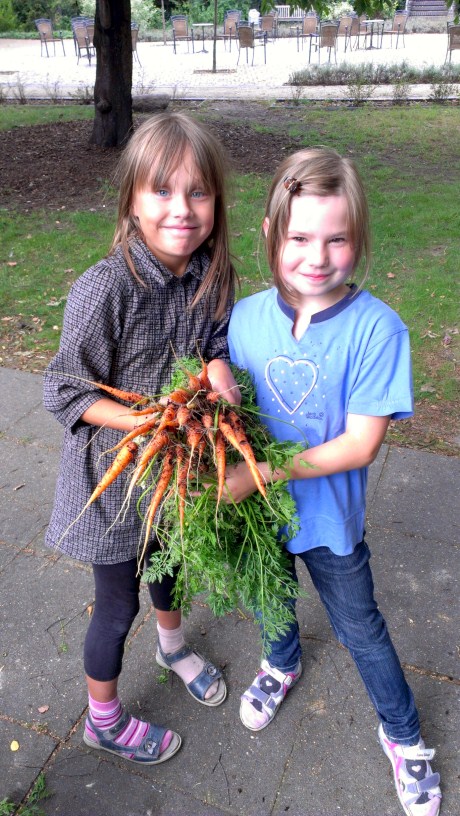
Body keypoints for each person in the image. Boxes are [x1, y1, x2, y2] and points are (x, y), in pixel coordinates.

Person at [226, 147, 441, 816]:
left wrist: (261, 472)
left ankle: (403, 737)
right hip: (259, 515)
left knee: (362, 630)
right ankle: (281, 661)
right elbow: (232, 405)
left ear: (359, 240)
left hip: (328, 523)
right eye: (298, 237)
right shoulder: (245, 317)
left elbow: (360, 443)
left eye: (337, 238)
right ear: (271, 235)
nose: (316, 256)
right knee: (269, 594)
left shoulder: (378, 330)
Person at [43, 112, 240, 766]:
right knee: (116, 604)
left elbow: (213, 344)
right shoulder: (105, 289)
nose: (181, 209)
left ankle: (174, 646)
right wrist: (145, 421)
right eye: (161, 191)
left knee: (172, 567)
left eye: (198, 192)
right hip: (113, 486)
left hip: (175, 475)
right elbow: (64, 389)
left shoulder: (210, 271)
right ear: (131, 199)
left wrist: (220, 378)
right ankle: (102, 719)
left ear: (216, 200)